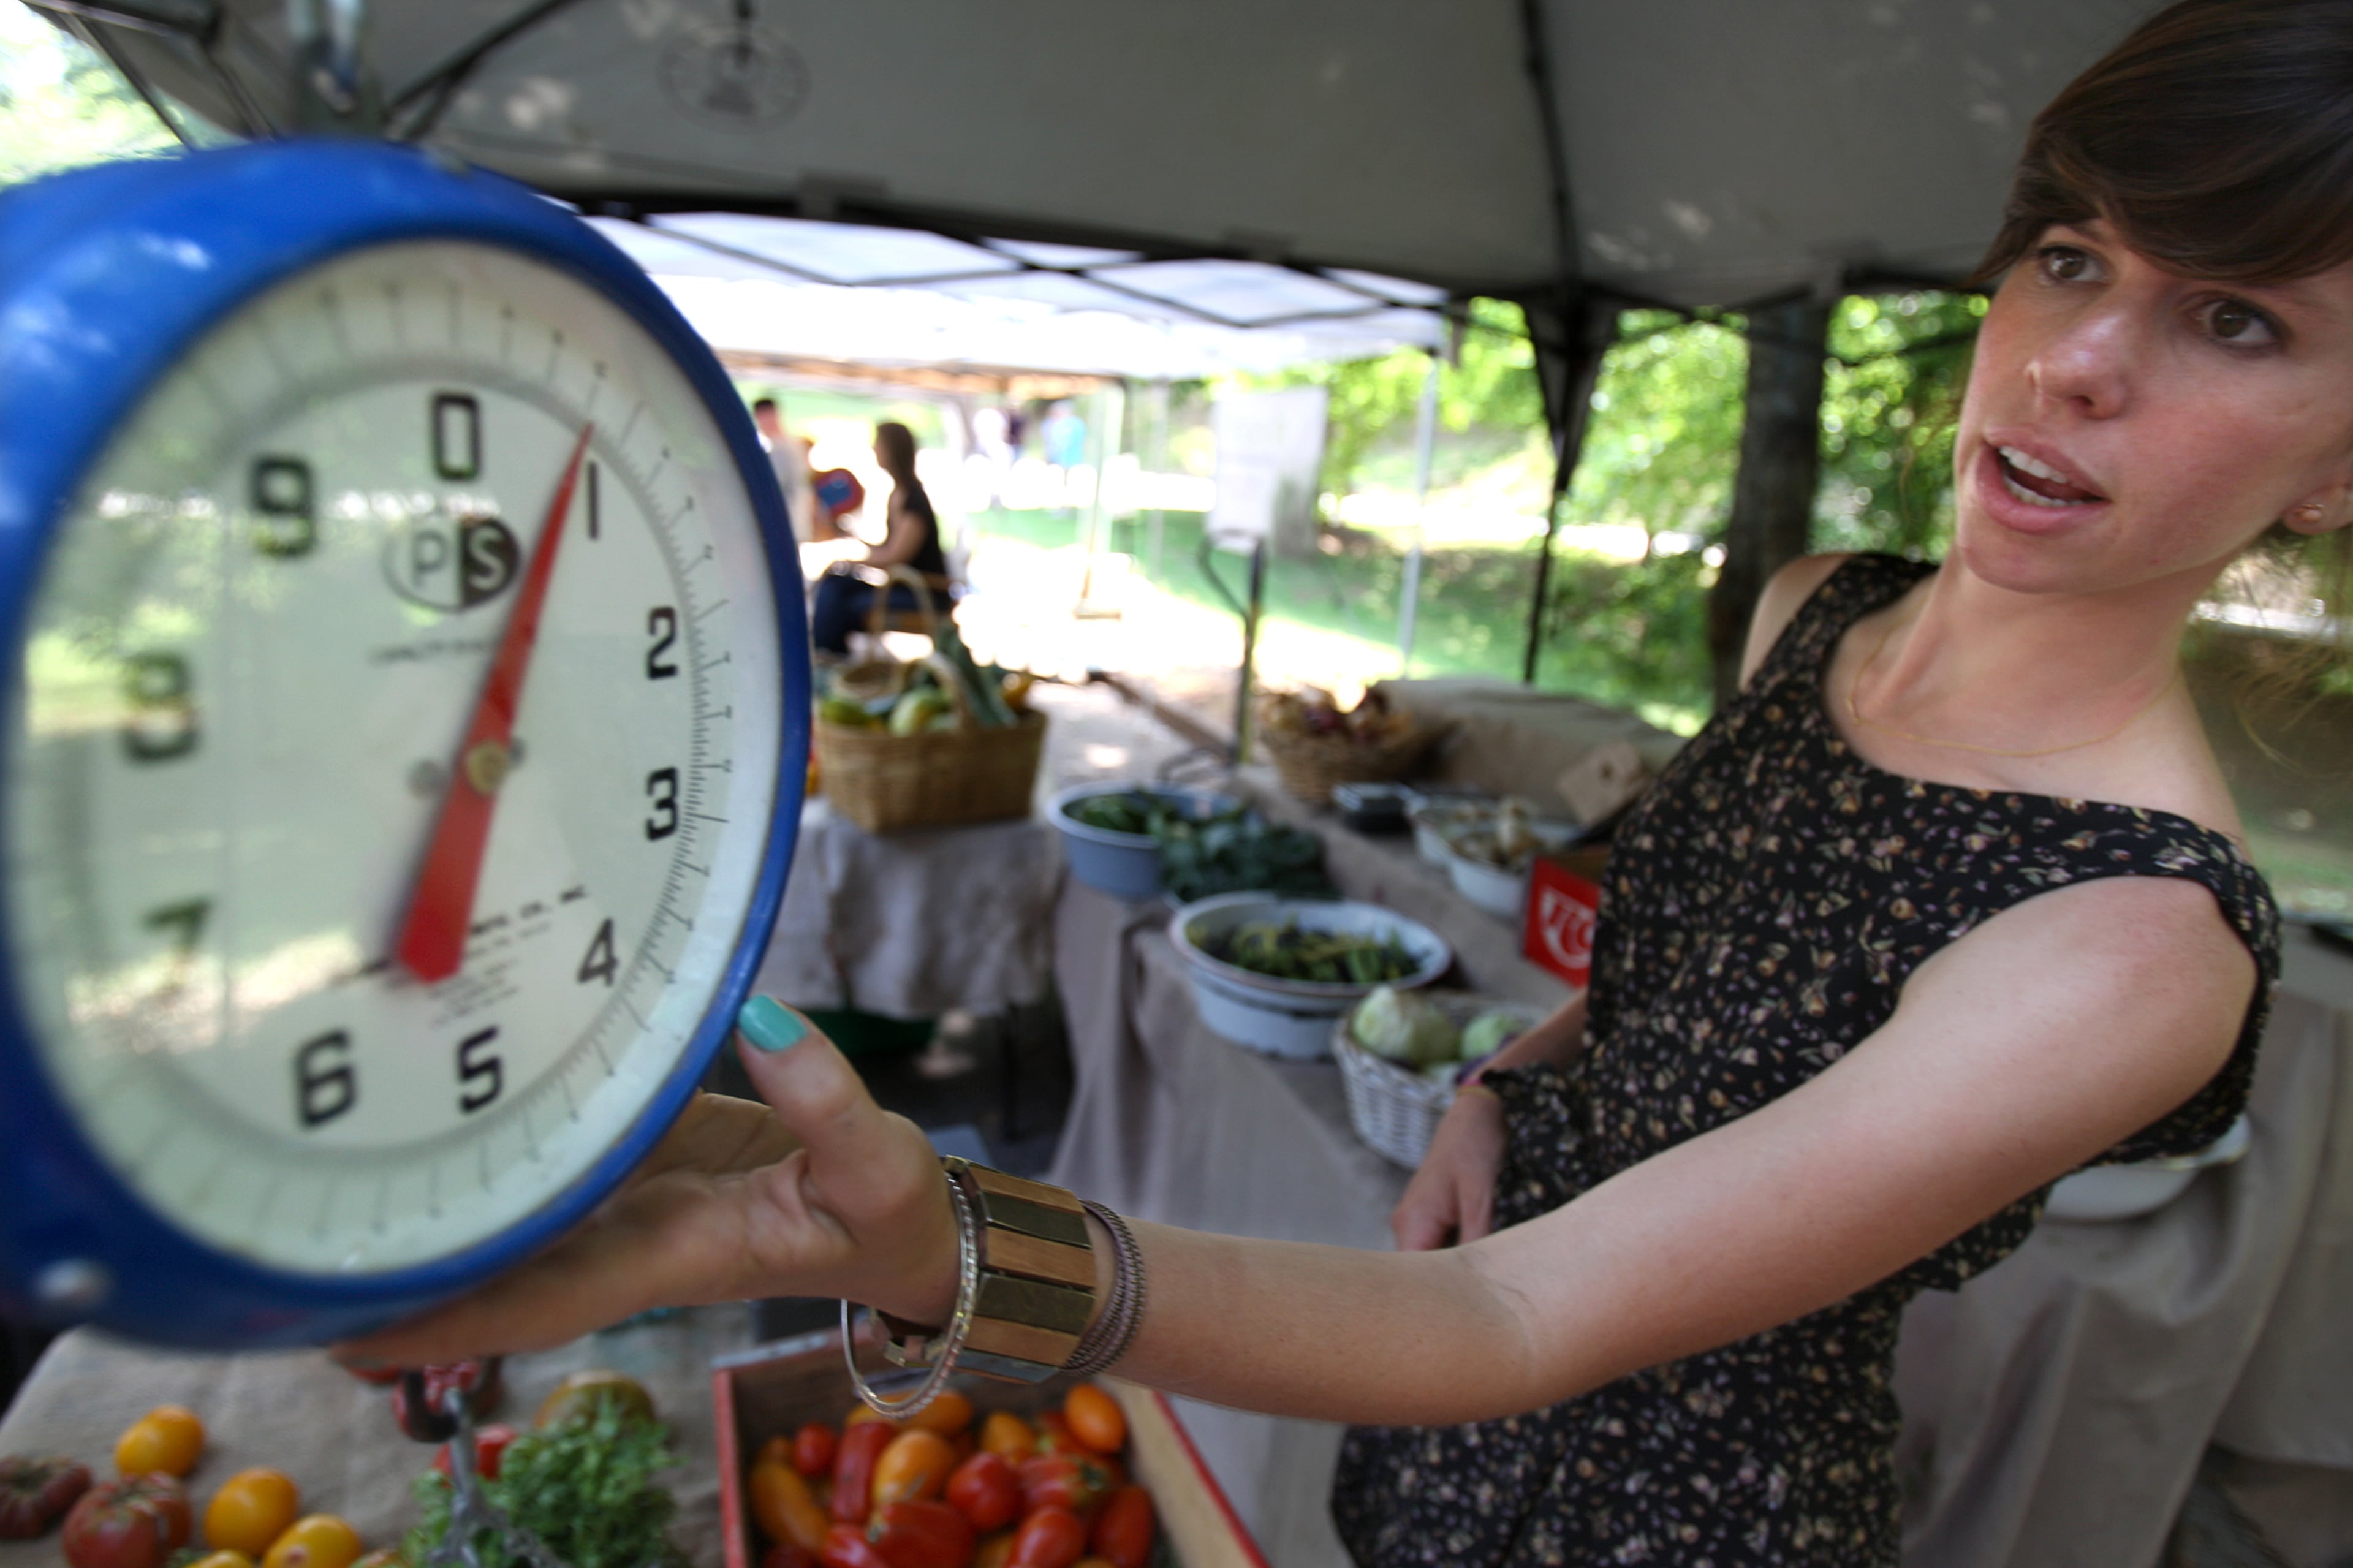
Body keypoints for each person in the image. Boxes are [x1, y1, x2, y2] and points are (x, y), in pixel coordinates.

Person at [341, 4, 2353, 1561]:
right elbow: (1693, 989)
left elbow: (1513, 1318)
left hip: (1665, 1491)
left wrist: (918, 1238)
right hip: (1438, 1418)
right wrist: (1509, 1070)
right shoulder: (1816, 610)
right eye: (2076, 256)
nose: (2082, 361)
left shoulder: (2134, 940)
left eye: (2237, 318)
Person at [807, 421, 953, 656]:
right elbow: (889, 551)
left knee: (843, 605)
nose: (875, 450)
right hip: (902, 585)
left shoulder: (914, 500)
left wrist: (854, 563)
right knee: (836, 583)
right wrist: (851, 538)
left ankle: (829, 659)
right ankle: (827, 656)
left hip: (922, 593)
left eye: (879, 445)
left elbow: (895, 556)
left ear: (893, 450)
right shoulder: (898, 495)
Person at [749, 396, 818, 545]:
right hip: (797, 521)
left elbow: (774, 485)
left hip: (786, 522)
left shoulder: (781, 448)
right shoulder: (795, 445)